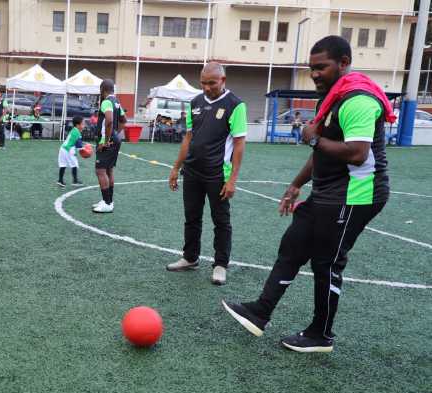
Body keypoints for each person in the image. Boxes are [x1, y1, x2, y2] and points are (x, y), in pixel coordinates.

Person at [222, 36, 395, 353]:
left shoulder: (357, 99)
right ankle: (260, 312)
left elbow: (356, 153)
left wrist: (313, 140)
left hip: (357, 193)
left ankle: (321, 335)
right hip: (330, 191)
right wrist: (296, 183)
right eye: (311, 67)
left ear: (343, 63)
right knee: (294, 243)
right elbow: (322, 151)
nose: (314, 73)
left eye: (322, 67)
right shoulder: (331, 98)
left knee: (327, 262)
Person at [166, 62, 247, 286]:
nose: (207, 87)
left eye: (212, 83)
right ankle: (190, 258)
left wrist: (232, 180)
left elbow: (239, 144)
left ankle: (220, 264)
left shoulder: (235, 105)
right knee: (191, 217)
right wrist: (175, 167)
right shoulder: (196, 103)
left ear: (223, 81)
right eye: (203, 83)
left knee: (221, 220)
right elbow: (189, 138)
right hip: (192, 171)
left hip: (218, 174)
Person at [92, 79, 127, 214]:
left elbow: (110, 120)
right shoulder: (117, 102)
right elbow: (124, 121)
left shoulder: (106, 102)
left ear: (102, 90)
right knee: (109, 171)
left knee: (100, 171)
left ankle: (107, 203)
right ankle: (108, 201)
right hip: (115, 139)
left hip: (106, 141)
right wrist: (116, 134)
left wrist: (106, 140)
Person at [57, 116, 86, 188]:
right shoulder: (77, 133)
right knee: (74, 164)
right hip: (69, 149)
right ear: (77, 125)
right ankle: (75, 181)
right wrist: (85, 150)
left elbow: (76, 143)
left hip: (63, 148)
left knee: (63, 164)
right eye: (83, 124)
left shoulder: (74, 130)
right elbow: (79, 146)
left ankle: (60, 180)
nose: (84, 125)